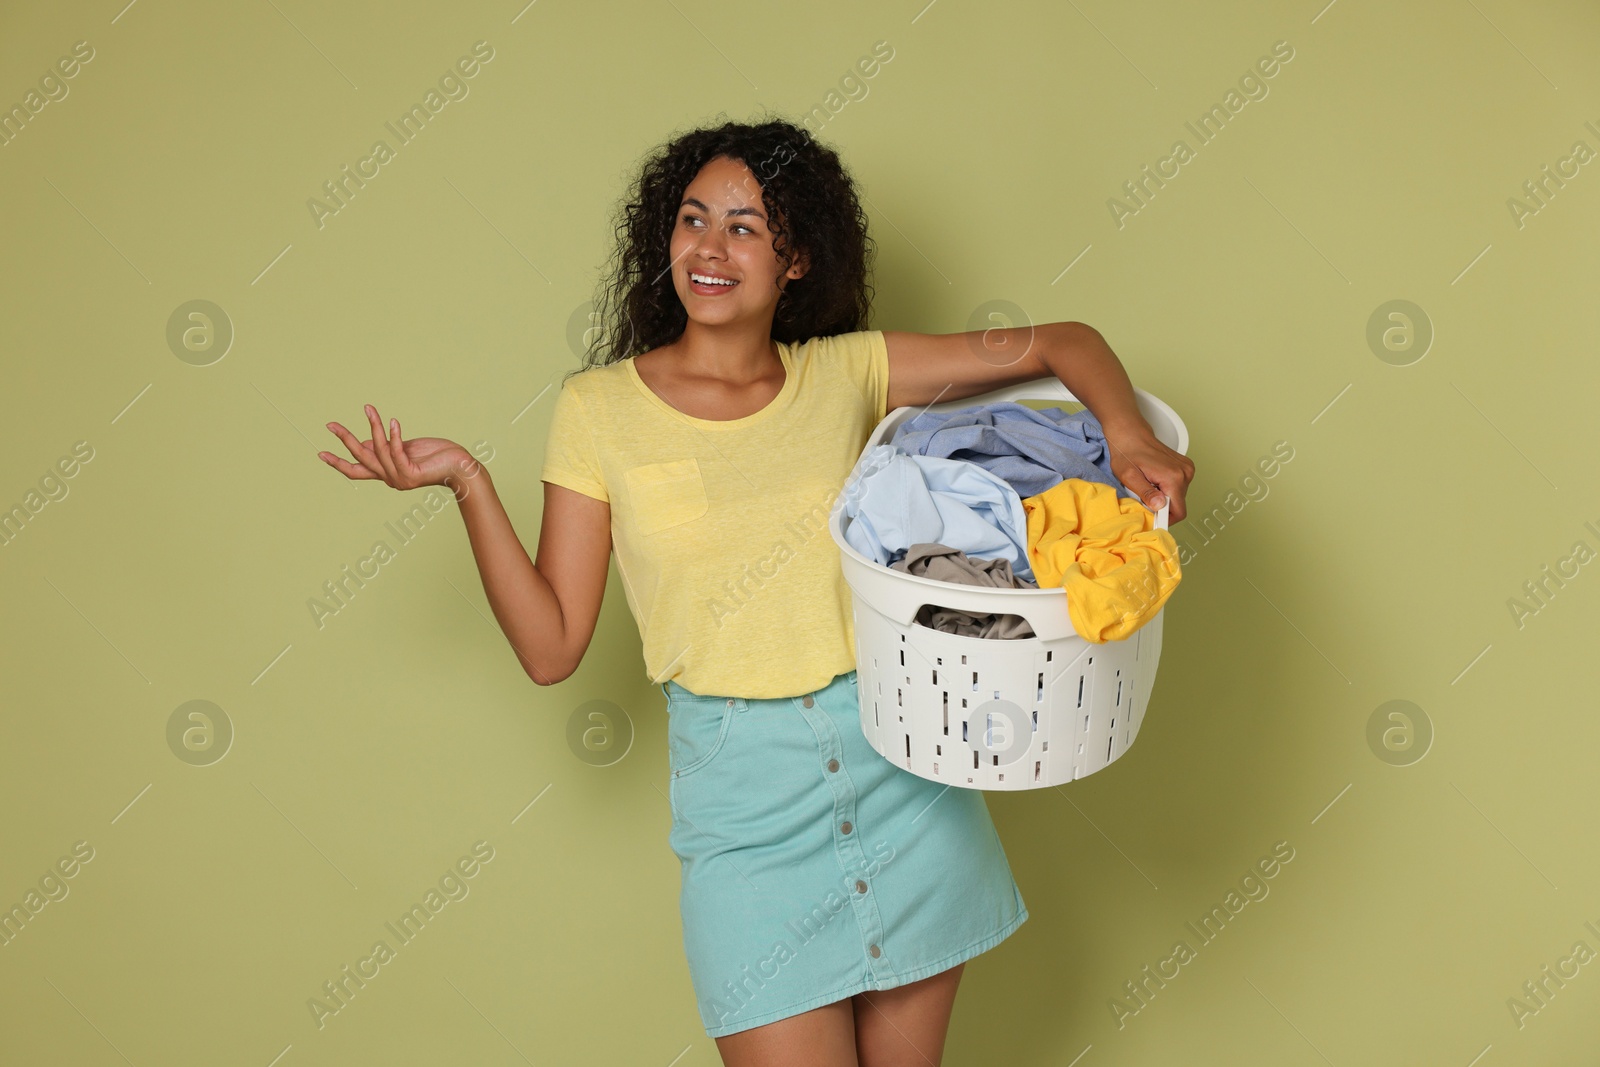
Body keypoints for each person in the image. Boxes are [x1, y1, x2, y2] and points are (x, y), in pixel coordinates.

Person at [318, 116, 1193, 1067]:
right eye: (694, 219)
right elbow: (551, 646)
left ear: (797, 258)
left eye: (744, 225)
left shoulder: (850, 371)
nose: (710, 245)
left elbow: (1063, 340)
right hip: (742, 814)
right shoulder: (597, 411)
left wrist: (1130, 436)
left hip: (903, 779)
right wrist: (468, 485)